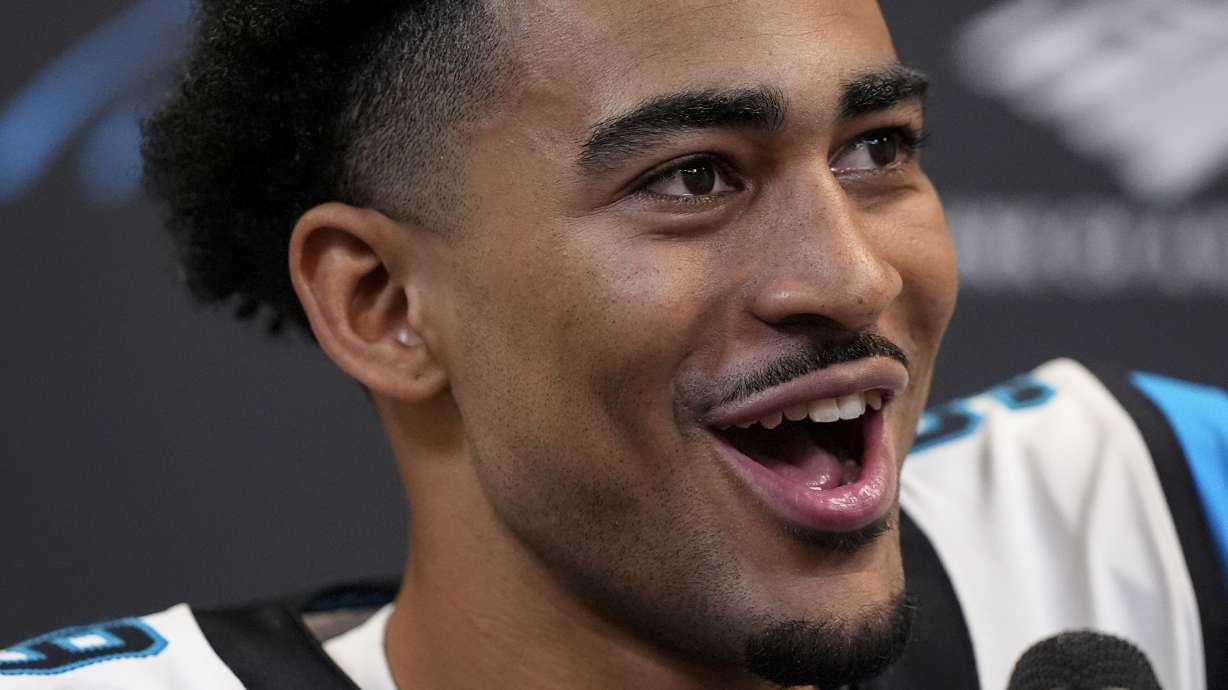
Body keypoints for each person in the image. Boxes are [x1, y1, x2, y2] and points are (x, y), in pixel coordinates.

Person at [2, 0, 1224, 688]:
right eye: (695, 177)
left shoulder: (1147, 516)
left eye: (877, 151)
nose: (853, 274)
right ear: (380, 302)